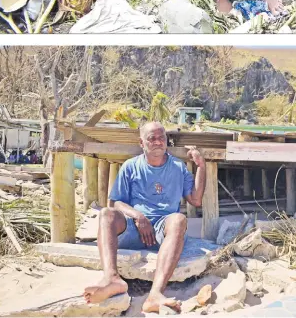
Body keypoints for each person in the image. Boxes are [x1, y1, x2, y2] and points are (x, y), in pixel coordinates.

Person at [83, 121, 206, 314]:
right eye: (152, 138)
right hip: (133, 228)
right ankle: (112, 279)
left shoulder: (178, 167)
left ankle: (155, 295)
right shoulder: (131, 166)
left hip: (162, 232)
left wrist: (201, 166)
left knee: (179, 219)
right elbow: (115, 202)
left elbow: (196, 200)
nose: (158, 142)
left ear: (166, 141)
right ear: (142, 143)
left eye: (161, 138)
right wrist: (138, 216)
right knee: (107, 214)